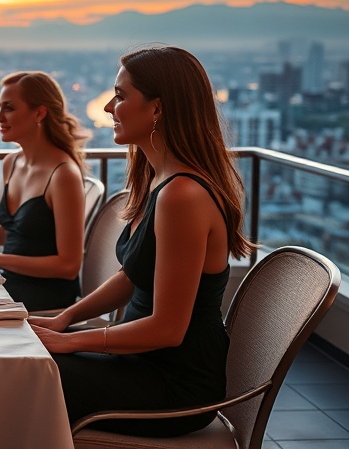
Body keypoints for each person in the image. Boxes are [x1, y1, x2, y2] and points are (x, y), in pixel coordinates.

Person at [30, 46, 255, 437]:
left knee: (31, 376)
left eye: (120, 96)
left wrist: (71, 343)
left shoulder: (182, 195)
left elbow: (167, 330)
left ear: (157, 109)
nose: (108, 108)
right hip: (141, 362)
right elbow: (131, 276)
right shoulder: (160, 181)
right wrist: (66, 319)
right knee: (30, 365)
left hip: (172, 386)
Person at [0, 71, 88, 311]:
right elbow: (8, 233)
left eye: (8, 108)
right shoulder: (11, 163)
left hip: (43, 299)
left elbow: (69, 266)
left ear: (39, 113)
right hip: (8, 283)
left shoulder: (63, 175)